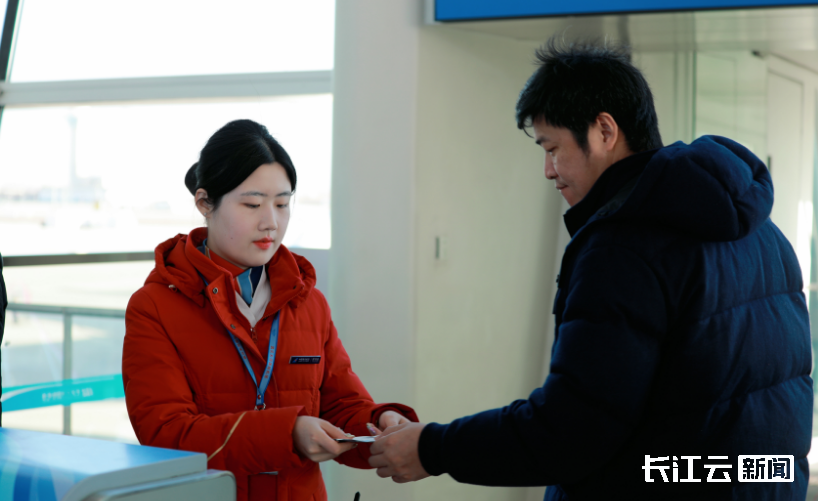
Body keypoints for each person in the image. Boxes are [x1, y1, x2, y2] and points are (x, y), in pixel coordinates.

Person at [368, 39, 813, 500]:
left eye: (553, 148)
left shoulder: (623, 247)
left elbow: (573, 428)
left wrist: (432, 448)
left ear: (604, 131)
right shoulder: (764, 233)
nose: (548, 170)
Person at [122, 119, 418, 501]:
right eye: (252, 204)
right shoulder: (155, 307)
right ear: (204, 203)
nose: (271, 223)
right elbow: (166, 435)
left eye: (282, 204)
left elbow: (340, 405)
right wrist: (287, 433)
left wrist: (380, 424)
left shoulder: (308, 302)